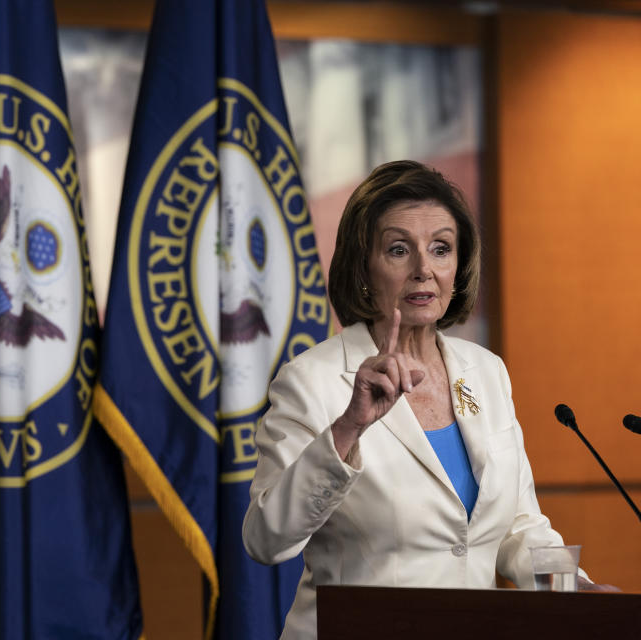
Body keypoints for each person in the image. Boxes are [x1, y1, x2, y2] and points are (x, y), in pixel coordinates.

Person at [241, 160, 615, 639]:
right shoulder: (311, 381)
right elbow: (265, 539)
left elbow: (521, 527)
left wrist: (573, 593)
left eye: (441, 249)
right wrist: (348, 427)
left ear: (458, 268)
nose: (423, 269)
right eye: (399, 250)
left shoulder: (486, 372)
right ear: (363, 268)